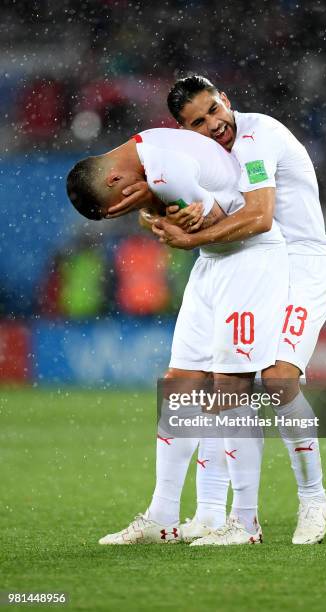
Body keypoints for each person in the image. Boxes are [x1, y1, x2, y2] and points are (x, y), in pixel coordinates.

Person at [110, 75, 326, 545]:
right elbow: (189, 199)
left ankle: (313, 499)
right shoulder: (197, 152)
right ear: (185, 129)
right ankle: (208, 512)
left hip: (301, 264)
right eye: (199, 121)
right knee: (203, 385)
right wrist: (161, 213)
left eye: (214, 110)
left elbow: (258, 217)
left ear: (226, 99)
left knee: (277, 381)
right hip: (245, 264)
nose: (214, 124)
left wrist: (190, 236)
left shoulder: (257, 136)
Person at [66, 126, 290, 545]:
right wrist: (160, 212)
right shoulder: (145, 149)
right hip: (213, 264)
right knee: (181, 386)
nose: (122, 211)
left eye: (116, 206)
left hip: (248, 264)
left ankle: (245, 522)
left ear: (115, 180)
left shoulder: (165, 171)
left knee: (229, 390)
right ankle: (162, 516)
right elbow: (194, 213)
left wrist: (172, 220)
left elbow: (232, 223)